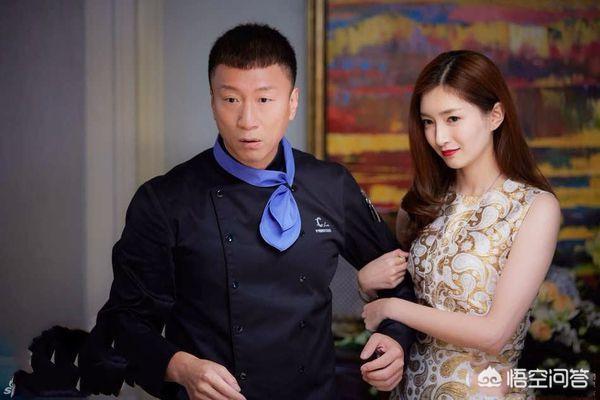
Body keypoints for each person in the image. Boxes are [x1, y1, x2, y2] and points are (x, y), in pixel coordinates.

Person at [82, 23, 415, 400]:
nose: (247, 121)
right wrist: (183, 368)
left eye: (264, 99)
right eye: (231, 99)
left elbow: (401, 275)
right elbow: (125, 324)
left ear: (292, 103)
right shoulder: (164, 200)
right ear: (212, 102)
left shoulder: (331, 186)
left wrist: (395, 339)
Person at [360, 50, 560, 399]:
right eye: (428, 122)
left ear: (495, 115)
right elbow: (401, 298)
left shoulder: (534, 208)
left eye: (453, 118)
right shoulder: (421, 203)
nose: (439, 137)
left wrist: (392, 307)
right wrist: (367, 284)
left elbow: (494, 333)